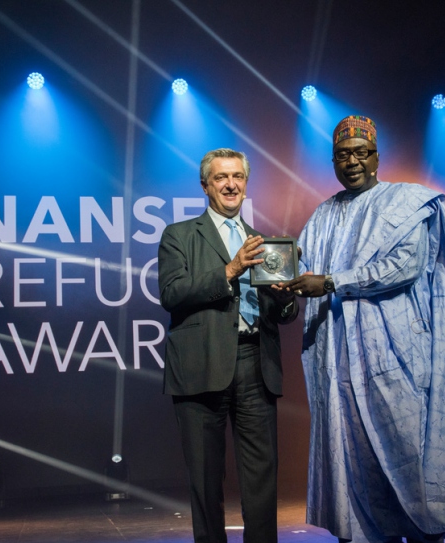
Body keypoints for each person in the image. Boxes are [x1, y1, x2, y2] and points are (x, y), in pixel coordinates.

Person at [279, 116, 445, 543]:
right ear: (333, 161)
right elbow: (302, 269)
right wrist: (282, 279)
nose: (351, 162)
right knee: (355, 459)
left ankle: (425, 534)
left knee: (408, 453)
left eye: (360, 153)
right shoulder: (324, 215)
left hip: (396, 355)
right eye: (342, 155)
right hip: (340, 361)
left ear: (376, 157)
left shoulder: (406, 202)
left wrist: (331, 282)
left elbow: (402, 267)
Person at [158, 148, 298, 543]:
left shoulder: (263, 242)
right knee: (205, 480)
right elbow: (171, 293)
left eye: (237, 177)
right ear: (206, 186)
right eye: (221, 178)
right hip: (201, 366)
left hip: (256, 363)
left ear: (246, 184)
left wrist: (287, 296)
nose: (231, 184)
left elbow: (283, 314)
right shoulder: (180, 235)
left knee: (261, 478)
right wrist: (231, 269)